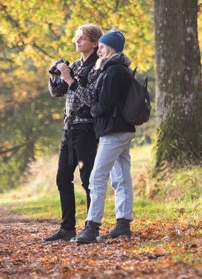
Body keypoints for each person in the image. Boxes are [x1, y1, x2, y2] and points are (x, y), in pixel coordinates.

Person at [75, 29, 136, 244]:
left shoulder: (113, 71)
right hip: (121, 129)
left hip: (114, 130)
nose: (98, 50)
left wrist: (93, 110)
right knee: (120, 178)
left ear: (110, 49)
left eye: (101, 47)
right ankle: (123, 224)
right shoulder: (118, 69)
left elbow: (106, 104)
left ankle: (92, 227)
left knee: (97, 177)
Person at [44, 24, 104, 242]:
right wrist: (55, 77)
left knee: (87, 180)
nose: (77, 42)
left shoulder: (98, 67)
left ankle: (91, 227)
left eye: (82, 39)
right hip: (69, 129)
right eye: (76, 38)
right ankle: (67, 228)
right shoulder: (76, 64)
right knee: (62, 178)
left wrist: (70, 79)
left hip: (86, 129)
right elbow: (57, 93)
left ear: (95, 43)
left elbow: (92, 99)